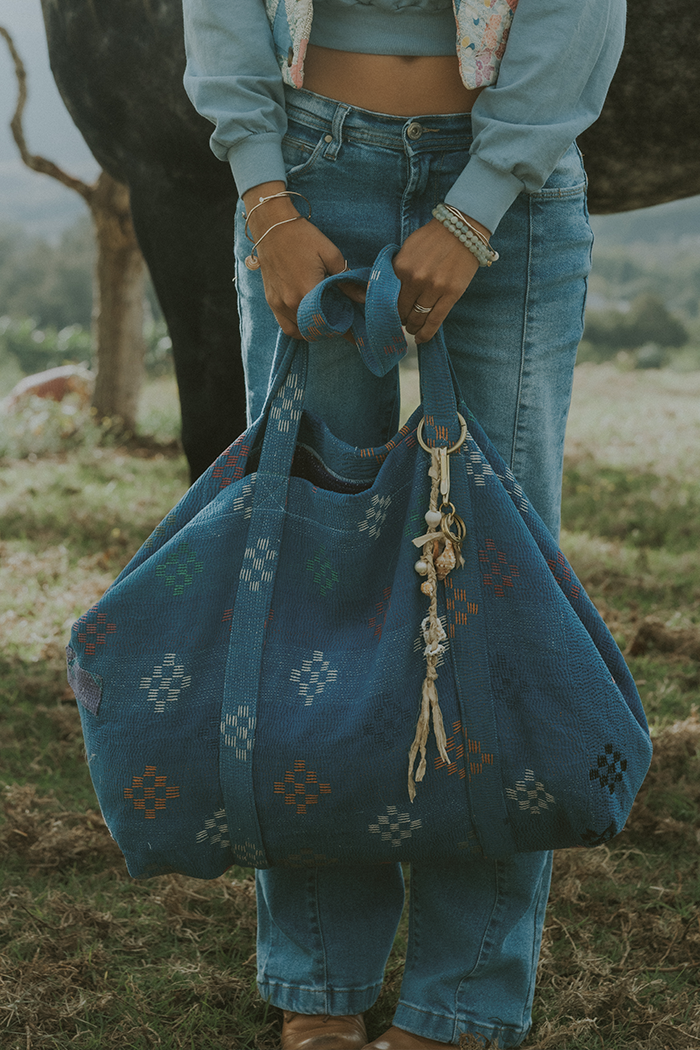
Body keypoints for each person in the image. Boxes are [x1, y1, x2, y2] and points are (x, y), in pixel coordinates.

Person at [182, 2, 625, 1047]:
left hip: (506, 183)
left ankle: (459, 1003)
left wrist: (473, 208)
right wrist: (266, 204)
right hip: (306, 167)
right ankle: (318, 990)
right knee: (306, 587)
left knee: (494, 595)